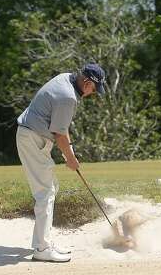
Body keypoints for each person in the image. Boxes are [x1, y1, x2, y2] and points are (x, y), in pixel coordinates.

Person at [15, 61, 107, 262]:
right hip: (33, 138)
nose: (92, 93)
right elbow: (59, 133)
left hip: (32, 135)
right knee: (45, 192)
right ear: (86, 82)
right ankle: (41, 248)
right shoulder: (68, 97)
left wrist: (69, 154)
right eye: (94, 88)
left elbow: (61, 128)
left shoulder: (65, 78)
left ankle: (43, 242)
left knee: (50, 188)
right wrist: (71, 159)